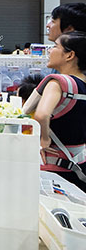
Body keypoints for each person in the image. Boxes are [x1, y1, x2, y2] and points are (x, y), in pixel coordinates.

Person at [31, 32, 86, 192]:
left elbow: (42, 114)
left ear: (70, 55)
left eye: (55, 46)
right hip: (80, 167)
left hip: (54, 171)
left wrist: (44, 139)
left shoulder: (57, 83)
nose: (49, 50)